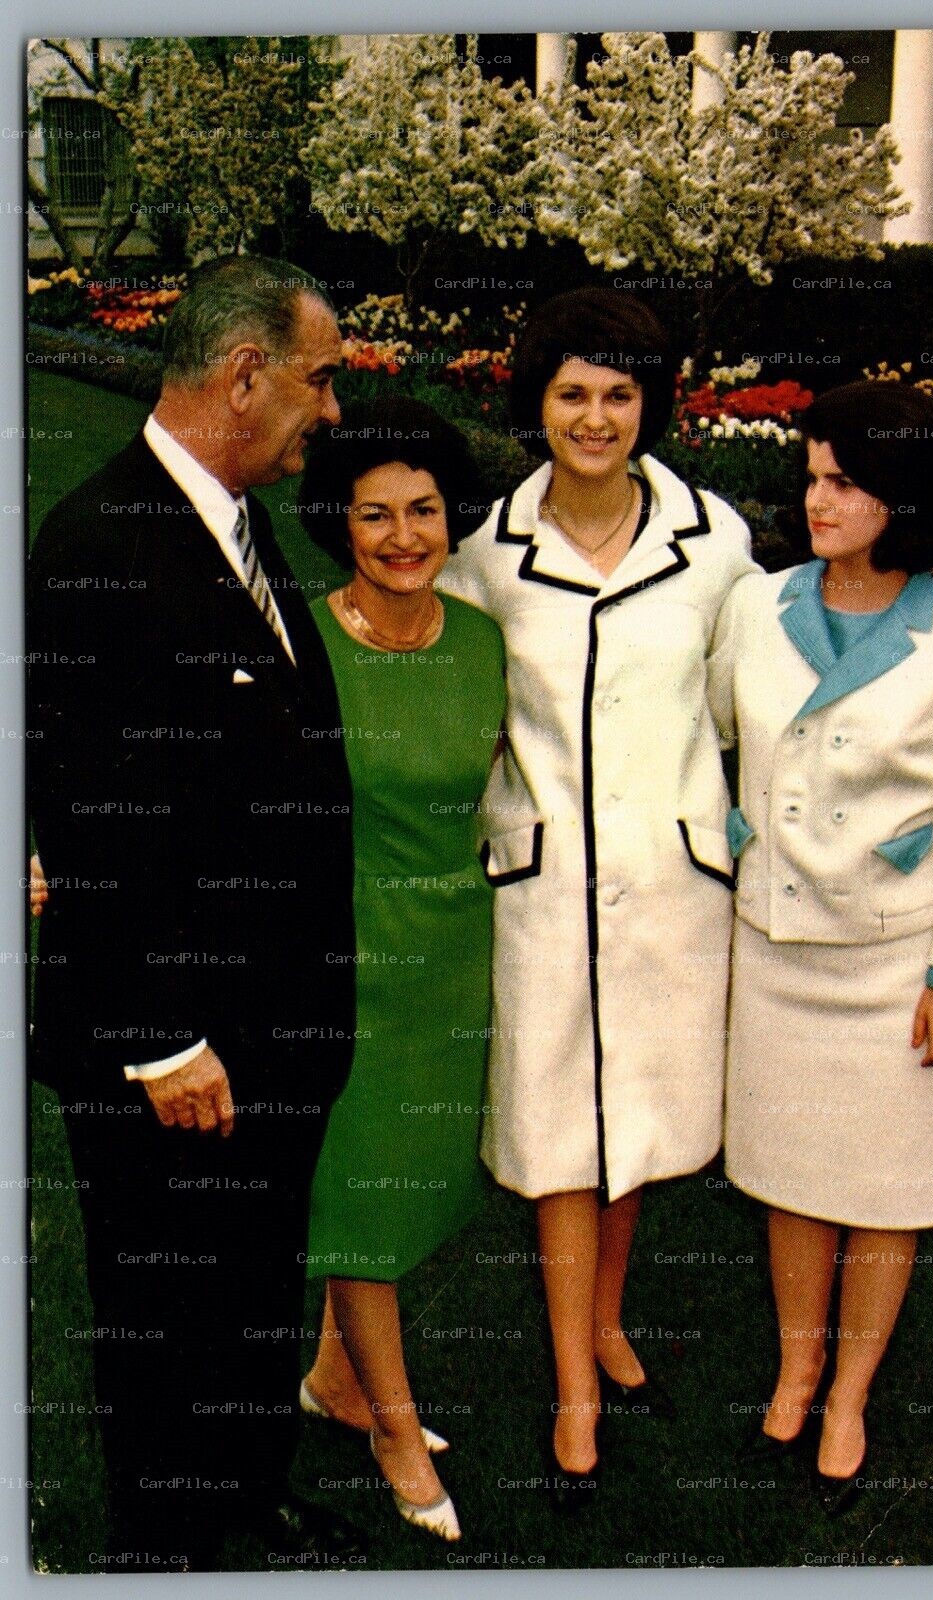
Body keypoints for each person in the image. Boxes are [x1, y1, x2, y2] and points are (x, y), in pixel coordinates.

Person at [28, 256, 364, 1570]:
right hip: (175, 1055)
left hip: (264, 1035)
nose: (329, 412)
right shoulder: (102, 543)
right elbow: (91, 812)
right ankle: (170, 1550)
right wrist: (163, 1038)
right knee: (171, 1313)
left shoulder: (231, 516)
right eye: (318, 380)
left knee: (244, 1297)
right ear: (242, 375)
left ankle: (244, 1507)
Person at [436, 288, 758, 1495]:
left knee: (640, 1123)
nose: (596, 417)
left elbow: (738, 704)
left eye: (620, 393)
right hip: (543, 889)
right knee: (565, 1132)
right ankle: (575, 1376)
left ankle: (610, 1317)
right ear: (536, 400)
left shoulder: (714, 539)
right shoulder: (488, 557)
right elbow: (463, 716)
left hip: (670, 885)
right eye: (572, 392)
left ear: (650, 404)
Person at [706, 380, 933, 1513]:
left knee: (883, 1189)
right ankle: (795, 1368)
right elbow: (713, 731)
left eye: (843, 479)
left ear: (907, 494)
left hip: (895, 968)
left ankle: (850, 1391)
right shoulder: (757, 605)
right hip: (779, 945)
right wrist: (735, 831)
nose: (818, 496)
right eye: (813, 474)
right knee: (794, 1178)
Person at [290, 400, 505, 1542]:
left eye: (423, 509)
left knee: (407, 1191)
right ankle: (393, 1426)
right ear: (341, 522)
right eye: (375, 513)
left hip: (450, 959)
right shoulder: (300, 643)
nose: (404, 535)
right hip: (339, 961)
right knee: (362, 1201)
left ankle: (333, 1376)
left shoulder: (482, 643)